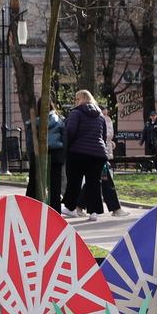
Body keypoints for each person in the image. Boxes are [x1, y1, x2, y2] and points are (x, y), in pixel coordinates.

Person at [62, 90, 108, 222]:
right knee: (94, 183)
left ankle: (70, 208)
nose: (75, 101)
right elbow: (103, 135)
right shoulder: (100, 115)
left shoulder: (76, 113)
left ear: (81, 99)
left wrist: (68, 148)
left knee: (74, 181)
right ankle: (94, 212)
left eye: (76, 99)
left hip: (78, 152)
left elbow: (70, 132)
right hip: (98, 153)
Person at [101, 112, 124, 216]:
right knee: (104, 181)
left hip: (100, 153)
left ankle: (78, 206)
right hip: (99, 153)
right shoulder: (99, 119)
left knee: (99, 181)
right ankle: (116, 209)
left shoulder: (102, 119)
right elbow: (106, 136)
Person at [47, 105, 67, 214]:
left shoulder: (35, 122)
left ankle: (36, 210)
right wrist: (63, 156)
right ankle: (56, 210)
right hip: (57, 154)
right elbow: (65, 139)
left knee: (38, 184)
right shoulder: (60, 120)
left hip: (42, 154)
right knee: (56, 184)